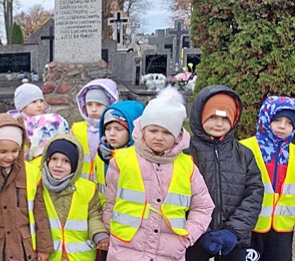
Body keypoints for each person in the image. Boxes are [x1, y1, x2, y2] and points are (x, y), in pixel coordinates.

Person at [103, 87, 214, 261]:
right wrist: (113, 231)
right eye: (153, 131)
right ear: (143, 129)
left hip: (169, 253)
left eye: (166, 132)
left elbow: (204, 207)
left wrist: (187, 236)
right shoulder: (121, 160)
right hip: (125, 251)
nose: (159, 137)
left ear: (177, 135)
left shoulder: (187, 166)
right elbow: (109, 202)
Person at [184, 86, 263, 260]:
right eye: (213, 117)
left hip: (234, 241)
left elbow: (254, 194)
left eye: (225, 118)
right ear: (200, 116)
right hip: (194, 242)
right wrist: (198, 231)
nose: (219, 124)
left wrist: (234, 230)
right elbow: (176, 197)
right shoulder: (186, 153)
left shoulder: (244, 154)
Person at [0, 113, 53, 261]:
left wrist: (44, 248)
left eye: (15, 151)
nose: (9, 156)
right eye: (3, 152)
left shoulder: (31, 173)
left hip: (25, 247)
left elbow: (40, 213)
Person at [239, 96, 295, 261]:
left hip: (282, 230)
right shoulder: (244, 148)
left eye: (289, 122)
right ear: (266, 117)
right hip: (250, 226)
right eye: (277, 120)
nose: (282, 126)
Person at [41, 134, 107, 261]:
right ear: (47, 160)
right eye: (54, 159)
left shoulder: (87, 188)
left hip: (80, 256)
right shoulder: (39, 186)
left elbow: (94, 215)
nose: (58, 165)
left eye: (66, 161)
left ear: (75, 164)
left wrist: (99, 233)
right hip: (50, 255)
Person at [94, 101, 144, 206]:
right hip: (103, 212)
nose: (112, 133)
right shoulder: (101, 153)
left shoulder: (139, 158)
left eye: (119, 129)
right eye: (107, 129)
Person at [72, 80, 119, 180]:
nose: (93, 109)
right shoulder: (76, 129)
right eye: (89, 104)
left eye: (99, 105)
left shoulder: (113, 130)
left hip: (105, 183)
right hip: (81, 184)